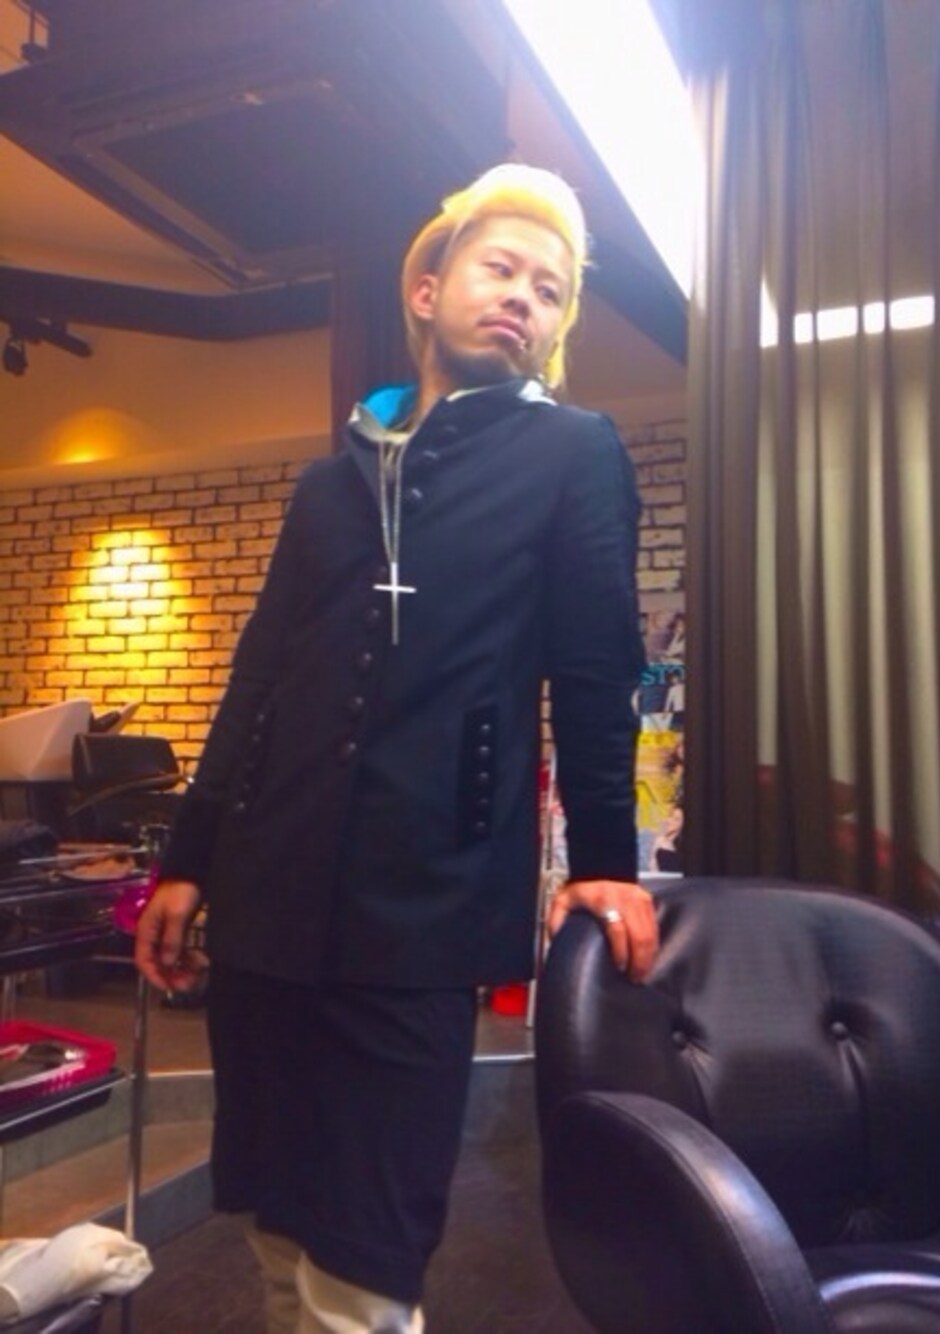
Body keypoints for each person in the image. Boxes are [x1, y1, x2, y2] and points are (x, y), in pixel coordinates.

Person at [134, 163, 658, 1334]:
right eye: (501, 268)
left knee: (367, 1255)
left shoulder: (574, 454)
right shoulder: (330, 483)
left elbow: (593, 668)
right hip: (267, 892)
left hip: (424, 900)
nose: (523, 297)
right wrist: (188, 858)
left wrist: (604, 859)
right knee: (275, 1222)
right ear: (426, 289)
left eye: (550, 290)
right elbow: (257, 680)